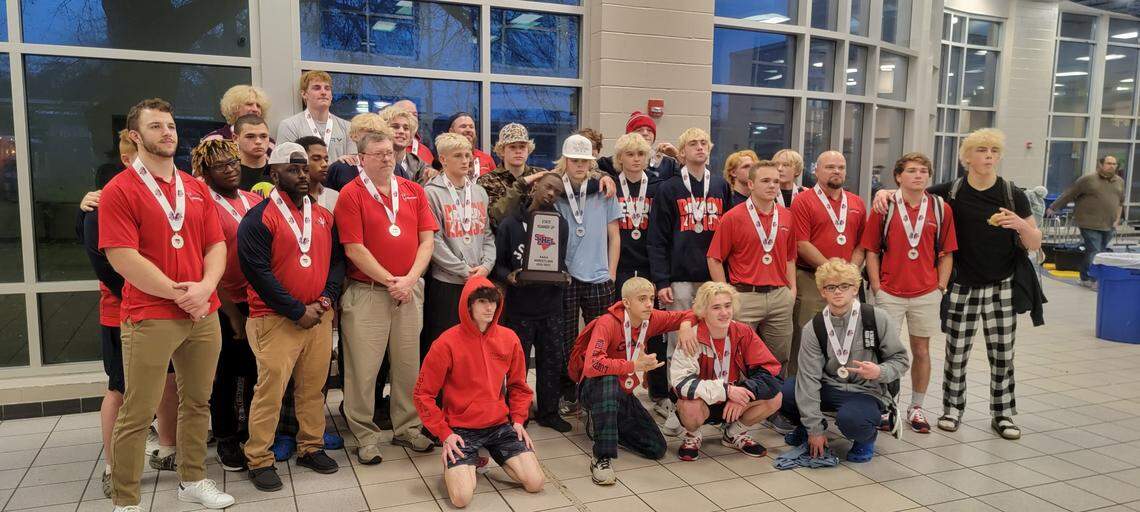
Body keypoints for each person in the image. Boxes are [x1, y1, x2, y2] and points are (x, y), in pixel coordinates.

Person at [100, 98, 234, 510]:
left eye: (171, 125)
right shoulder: (119, 189)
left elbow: (216, 244)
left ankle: (192, 479)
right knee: (138, 411)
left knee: (198, 401)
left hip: (202, 313)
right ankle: (126, 500)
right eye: (157, 126)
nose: (168, 133)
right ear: (136, 136)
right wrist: (182, 293)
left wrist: (206, 287)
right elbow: (122, 257)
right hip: (151, 314)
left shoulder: (194, 188)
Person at [872, 129, 1042, 440]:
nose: (988, 155)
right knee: (956, 352)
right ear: (967, 157)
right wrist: (882, 193)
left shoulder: (1011, 194)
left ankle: (1002, 413)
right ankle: (952, 408)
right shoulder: (951, 191)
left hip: (1001, 284)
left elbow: (1034, 242)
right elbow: (911, 190)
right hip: (962, 284)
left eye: (993, 150)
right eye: (981, 150)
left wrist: (1018, 224)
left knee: (1003, 354)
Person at [238, 142, 345, 491]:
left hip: (318, 317)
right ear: (273, 174)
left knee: (313, 389)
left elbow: (337, 263)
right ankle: (259, 458)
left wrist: (326, 299)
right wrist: (297, 310)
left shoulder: (323, 216)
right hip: (275, 319)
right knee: (269, 392)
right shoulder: (258, 218)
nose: (301, 174)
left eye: (304, 168)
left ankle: (310, 447)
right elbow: (257, 273)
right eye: (292, 168)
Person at [336, 130, 438, 462]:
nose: (386, 158)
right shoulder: (351, 195)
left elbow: (427, 242)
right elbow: (354, 249)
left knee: (408, 365)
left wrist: (409, 280)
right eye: (378, 153)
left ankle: (407, 427)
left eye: (390, 152)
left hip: (409, 291)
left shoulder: (413, 191)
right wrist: (390, 280)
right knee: (363, 369)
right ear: (361, 159)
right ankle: (365, 435)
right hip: (368, 293)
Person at [413, 279, 544, 509]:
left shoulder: (509, 338)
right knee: (462, 498)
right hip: (461, 430)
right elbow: (423, 394)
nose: (489, 308)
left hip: (498, 425)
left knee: (535, 482)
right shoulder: (446, 343)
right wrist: (444, 434)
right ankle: (469, 462)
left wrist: (519, 421)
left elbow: (519, 386)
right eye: (482, 301)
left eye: (493, 301)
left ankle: (481, 456)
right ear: (468, 305)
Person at [860, 153, 957, 433]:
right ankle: (886, 405)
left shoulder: (940, 209)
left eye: (924, 171)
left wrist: (941, 286)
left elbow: (946, 253)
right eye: (912, 170)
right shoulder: (884, 206)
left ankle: (916, 407)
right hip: (889, 291)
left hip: (926, 291)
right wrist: (876, 286)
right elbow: (871, 250)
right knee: (885, 351)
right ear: (898, 176)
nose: (918, 175)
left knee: (921, 350)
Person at [780, 258, 910, 463]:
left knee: (853, 420)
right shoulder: (814, 327)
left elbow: (901, 360)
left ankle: (865, 439)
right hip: (829, 387)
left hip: (867, 391)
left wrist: (879, 371)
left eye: (844, 286)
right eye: (830, 287)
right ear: (822, 292)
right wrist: (814, 429)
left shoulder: (876, 318)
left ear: (855, 288)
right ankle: (805, 429)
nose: (837, 292)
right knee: (787, 391)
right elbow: (808, 380)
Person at [570, 277, 694, 484]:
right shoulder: (607, 323)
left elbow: (688, 314)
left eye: (652, 298)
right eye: (642, 299)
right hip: (593, 388)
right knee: (608, 379)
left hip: (623, 391)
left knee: (656, 448)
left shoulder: (651, 318)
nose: (649, 304)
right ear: (626, 302)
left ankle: (605, 425)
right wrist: (634, 366)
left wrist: (687, 325)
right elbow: (593, 366)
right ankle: (602, 457)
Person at [648, 127, 731, 434]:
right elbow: (656, 239)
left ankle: (712, 405)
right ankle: (678, 405)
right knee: (678, 345)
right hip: (679, 279)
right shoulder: (669, 188)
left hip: (712, 279)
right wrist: (661, 281)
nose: (699, 148)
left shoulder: (721, 185)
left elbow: (729, 235)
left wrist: (726, 279)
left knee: (716, 345)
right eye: (692, 144)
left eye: (703, 143)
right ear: (681, 153)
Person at [192, 139, 264, 473]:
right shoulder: (203, 203)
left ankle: (252, 432)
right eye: (221, 166)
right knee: (224, 376)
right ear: (205, 172)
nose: (231, 169)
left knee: (253, 373)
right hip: (225, 304)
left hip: (257, 301)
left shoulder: (252, 200)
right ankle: (226, 437)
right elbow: (205, 262)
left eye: (233, 162)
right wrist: (232, 314)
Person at [78, 130, 136, 498]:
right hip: (121, 312)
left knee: (167, 381)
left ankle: (165, 447)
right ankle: (113, 466)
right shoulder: (101, 203)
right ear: (128, 159)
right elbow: (102, 260)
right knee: (119, 387)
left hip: (162, 309)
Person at [670, 281, 784, 461]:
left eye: (727, 305)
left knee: (775, 397)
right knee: (687, 404)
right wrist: (726, 391)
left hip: (734, 398)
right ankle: (692, 435)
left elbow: (771, 372)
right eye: (716, 307)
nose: (724, 313)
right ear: (703, 311)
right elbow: (681, 383)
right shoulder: (691, 336)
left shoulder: (743, 331)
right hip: (704, 401)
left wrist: (745, 392)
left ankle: (734, 434)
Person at [494, 173, 571, 431]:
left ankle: (549, 412)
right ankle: (518, 413)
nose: (551, 194)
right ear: (536, 186)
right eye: (549, 187)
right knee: (518, 365)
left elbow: (560, 260)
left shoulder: (560, 224)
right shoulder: (510, 223)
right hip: (520, 307)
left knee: (552, 362)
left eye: (557, 192)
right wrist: (510, 276)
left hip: (551, 305)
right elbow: (499, 266)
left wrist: (564, 275)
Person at [555, 134, 623, 416]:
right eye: (574, 160)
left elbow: (615, 236)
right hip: (567, 277)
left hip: (598, 276)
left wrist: (611, 273)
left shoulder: (605, 190)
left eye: (585, 160)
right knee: (567, 340)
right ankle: (570, 393)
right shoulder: (555, 190)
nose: (580, 165)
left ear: (591, 162)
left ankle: (597, 393)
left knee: (600, 341)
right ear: (565, 161)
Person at [707, 160, 797, 372]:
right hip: (745, 297)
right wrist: (725, 295)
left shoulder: (786, 216)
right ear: (750, 184)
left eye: (776, 181)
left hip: (779, 297)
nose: (772, 186)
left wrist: (792, 289)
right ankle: (745, 402)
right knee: (740, 356)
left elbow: (790, 257)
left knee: (780, 357)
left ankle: (774, 404)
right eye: (765, 181)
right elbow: (714, 258)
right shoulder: (733, 217)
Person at [790, 151, 866, 380]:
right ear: (816, 171)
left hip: (847, 283)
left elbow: (862, 245)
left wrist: (849, 273)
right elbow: (801, 244)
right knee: (806, 337)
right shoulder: (803, 201)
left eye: (841, 167)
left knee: (847, 337)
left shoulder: (857, 203)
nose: (836, 171)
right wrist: (832, 273)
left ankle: (840, 389)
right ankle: (797, 390)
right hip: (811, 280)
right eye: (830, 167)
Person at [609, 133, 670, 419]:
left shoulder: (658, 188)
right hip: (619, 266)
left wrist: (661, 275)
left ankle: (659, 393)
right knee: (619, 331)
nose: (635, 159)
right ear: (619, 158)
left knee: (653, 331)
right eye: (629, 154)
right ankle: (619, 389)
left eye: (641, 154)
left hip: (648, 267)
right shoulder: (609, 187)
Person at [423, 132, 495, 358]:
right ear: (443, 160)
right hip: (447, 283)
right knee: (445, 346)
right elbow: (434, 241)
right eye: (458, 156)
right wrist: (464, 271)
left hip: (477, 281)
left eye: (468, 155)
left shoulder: (479, 192)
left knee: (473, 346)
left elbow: (487, 234)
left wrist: (486, 266)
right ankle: (443, 395)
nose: (465, 161)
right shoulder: (431, 193)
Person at [1047, 154, 1125, 288]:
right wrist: (1054, 207)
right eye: (1108, 163)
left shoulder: (1119, 182)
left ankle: (1084, 276)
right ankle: (1094, 280)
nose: (1112, 166)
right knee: (1095, 251)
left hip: (1109, 224)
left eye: (1114, 164)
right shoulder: (1088, 180)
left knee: (1097, 251)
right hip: (1088, 222)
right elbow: (1069, 194)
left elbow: (1120, 202)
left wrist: (1117, 219)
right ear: (1100, 164)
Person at [480, 123, 546, 228]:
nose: (518, 151)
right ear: (502, 150)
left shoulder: (540, 175)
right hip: (502, 242)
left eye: (522, 146)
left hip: (537, 240)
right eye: (512, 147)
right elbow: (497, 218)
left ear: (528, 150)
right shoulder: (488, 181)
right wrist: (522, 184)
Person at [276, 70, 353, 160]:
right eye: (317, 88)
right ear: (304, 94)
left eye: (327, 88)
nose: (323, 92)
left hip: (339, 174)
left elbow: (353, 163)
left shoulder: (347, 127)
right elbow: (284, 163)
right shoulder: (290, 126)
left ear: (331, 96)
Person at [597, 111, 679, 181]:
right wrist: (603, 177)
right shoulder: (612, 162)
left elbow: (689, 180)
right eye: (639, 130)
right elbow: (589, 170)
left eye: (650, 130)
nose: (645, 133)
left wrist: (677, 155)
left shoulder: (668, 164)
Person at [324, 112, 387, 191]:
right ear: (353, 136)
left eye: (378, 134)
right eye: (369, 132)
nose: (373, 138)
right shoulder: (339, 168)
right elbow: (326, 200)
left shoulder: (394, 168)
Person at [203, 84, 272, 143]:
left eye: (258, 106)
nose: (255, 109)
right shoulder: (214, 141)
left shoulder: (270, 144)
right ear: (234, 108)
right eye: (249, 104)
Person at [379, 105, 428, 182]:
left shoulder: (420, 166)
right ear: (382, 130)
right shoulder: (372, 160)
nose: (402, 131)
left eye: (406, 128)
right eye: (395, 127)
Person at [436, 112, 495, 177]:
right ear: (451, 131)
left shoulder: (486, 159)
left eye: (471, 127)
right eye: (463, 126)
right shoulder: (443, 159)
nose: (468, 130)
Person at [296, 136, 336, 211]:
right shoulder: (285, 197)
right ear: (300, 160)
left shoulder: (335, 196)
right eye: (316, 159)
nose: (324, 164)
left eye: (326, 160)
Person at [234, 114, 272, 191]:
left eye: (263, 136)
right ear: (235, 138)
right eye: (250, 136)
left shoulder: (279, 173)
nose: (258, 141)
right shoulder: (228, 175)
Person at [393, 99, 435, 165]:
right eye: (406, 114)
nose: (412, 118)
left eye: (415, 115)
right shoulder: (381, 149)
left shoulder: (425, 151)